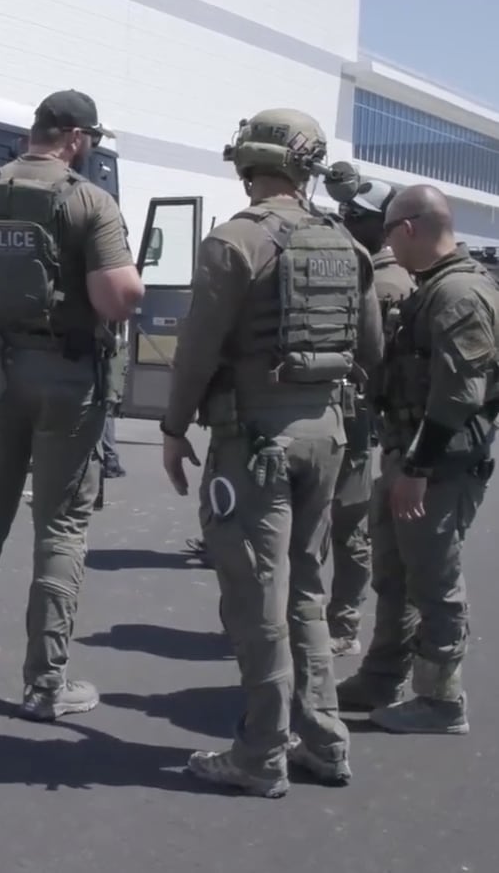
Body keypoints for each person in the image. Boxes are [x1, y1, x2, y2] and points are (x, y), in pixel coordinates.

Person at [161, 109, 383, 797]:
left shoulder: (234, 242)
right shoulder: (350, 247)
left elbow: (196, 351)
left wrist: (173, 430)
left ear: (246, 163)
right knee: (306, 591)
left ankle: (261, 752)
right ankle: (325, 740)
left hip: (255, 441)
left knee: (258, 595)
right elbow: (373, 354)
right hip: (327, 435)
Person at [0, 89, 144, 720]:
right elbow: (117, 299)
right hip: (68, 379)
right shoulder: (89, 201)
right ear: (75, 137)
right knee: (61, 526)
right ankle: (45, 684)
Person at [337, 185, 499, 736]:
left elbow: (459, 395)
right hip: (409, 452)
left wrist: (418, 469)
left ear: (407, 228)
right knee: (395, 574)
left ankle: (440, 700)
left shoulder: (458, 294)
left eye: (387, 231)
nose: (385, 243)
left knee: (434, 580)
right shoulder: (433, 287)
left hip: (437, 465)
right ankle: (383, 675)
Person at [326, 181, 415, 655]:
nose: (346, 220)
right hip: (340, 412)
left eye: (357, 215)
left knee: (348, 521)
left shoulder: (387, 283)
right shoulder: (358, 270)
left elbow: (375, 359)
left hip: (358, 416)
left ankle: (342, 622)